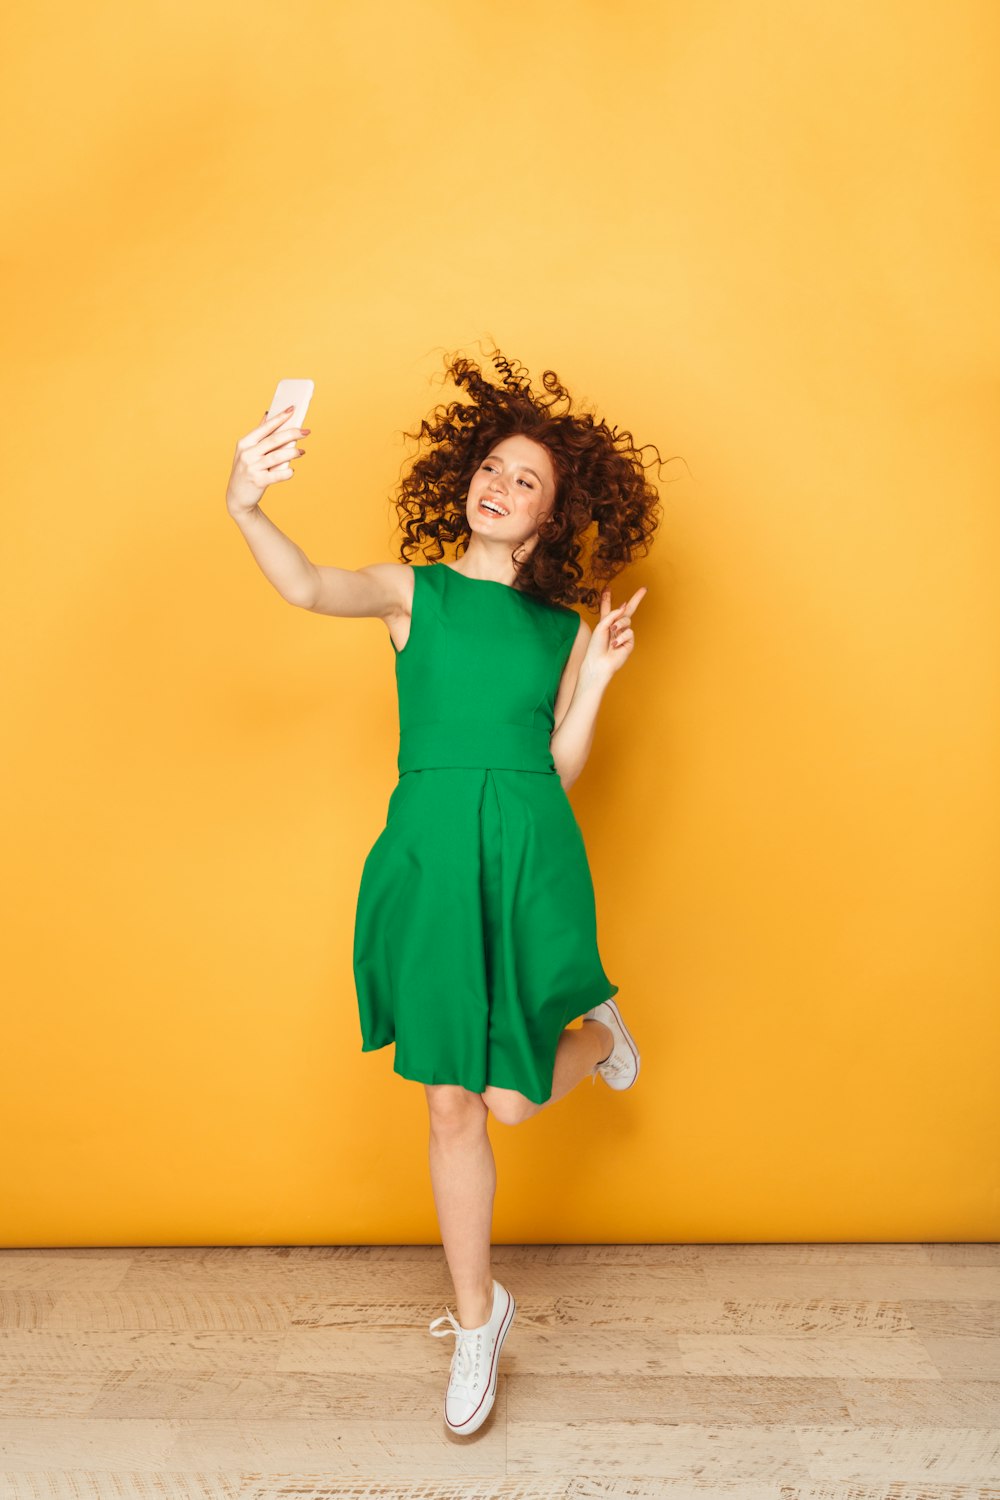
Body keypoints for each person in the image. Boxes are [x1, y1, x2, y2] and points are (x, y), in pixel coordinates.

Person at [226, 345, 664, 1436]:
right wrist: (245, 504)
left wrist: (599, 678)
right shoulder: (408, 592)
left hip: (525, 855)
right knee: (450, 1100)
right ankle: (478, 1319)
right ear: (461, 481)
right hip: (427, 855)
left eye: (528, 482)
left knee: (514, 1096)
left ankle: (599, 1035)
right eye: (492, 468)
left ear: (551, 516)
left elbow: (553, 766)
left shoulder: (556, 629)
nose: (500, 487)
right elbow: (305, 582)